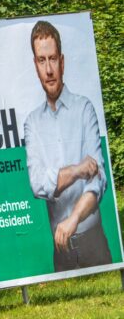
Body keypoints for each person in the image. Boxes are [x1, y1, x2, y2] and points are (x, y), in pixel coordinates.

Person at [24, 20, 112, 272]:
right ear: (35, 65)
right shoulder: (32, 124)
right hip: (60, 252)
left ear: (62, 61)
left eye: (53, 59)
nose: (49, 69)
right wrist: (76, 170)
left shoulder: (84, 109)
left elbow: (98, 180)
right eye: (42, 60)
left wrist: (73, 219)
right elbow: (38, 184)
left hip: (93, 240)